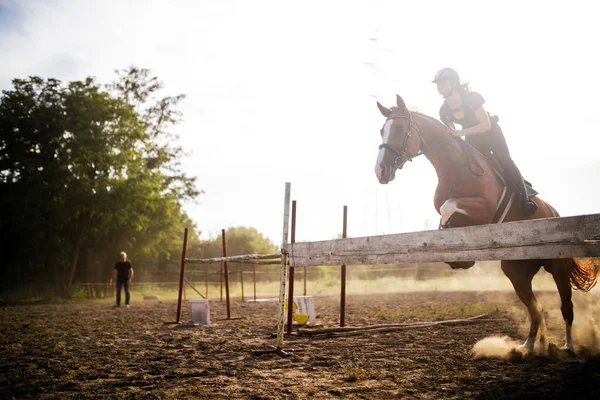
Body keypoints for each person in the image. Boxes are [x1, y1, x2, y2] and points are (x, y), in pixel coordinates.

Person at [433, 67, 538, 216]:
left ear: (454, 84)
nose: (439, 86)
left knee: (504, 159)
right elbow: (452, 134)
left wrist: (461, 132)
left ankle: (525, 198)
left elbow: (485, 125)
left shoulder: (471, 98)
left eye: (443, 82)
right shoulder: (444, 111)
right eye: (437, 83)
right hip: (472, 137)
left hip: (491, 133)